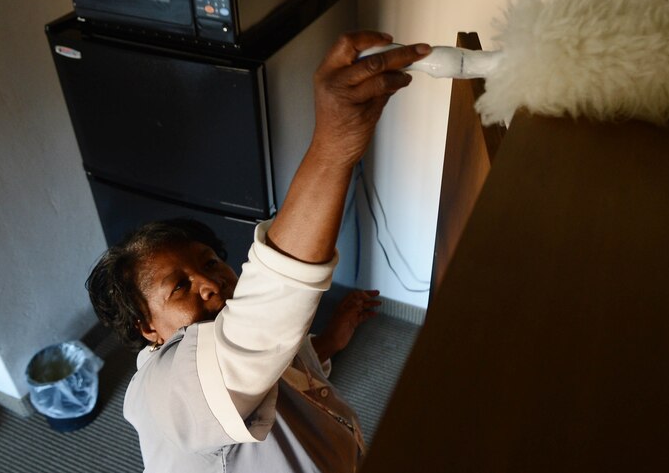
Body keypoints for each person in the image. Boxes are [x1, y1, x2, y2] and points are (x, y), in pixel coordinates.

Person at [85, 31, 432, 472]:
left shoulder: (241, 338)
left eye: (210, 261)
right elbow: (251, 338)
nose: (211, 282)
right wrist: (333, 149)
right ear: (148, 328)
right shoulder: (161, 395)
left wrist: (326, 343)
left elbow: (269, 359)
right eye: (179, 286)